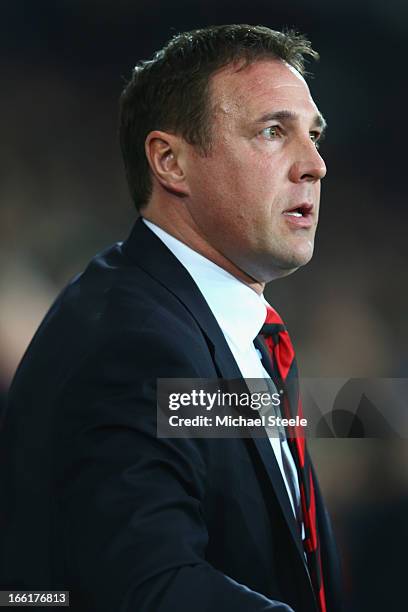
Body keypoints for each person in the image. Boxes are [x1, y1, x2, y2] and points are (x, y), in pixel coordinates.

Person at [0, 25, 342, 611]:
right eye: (272, 132)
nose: (315, 165)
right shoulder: (131, 342)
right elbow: (148, 587)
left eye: (313, 136)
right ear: (170, 162)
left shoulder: (215, 328)